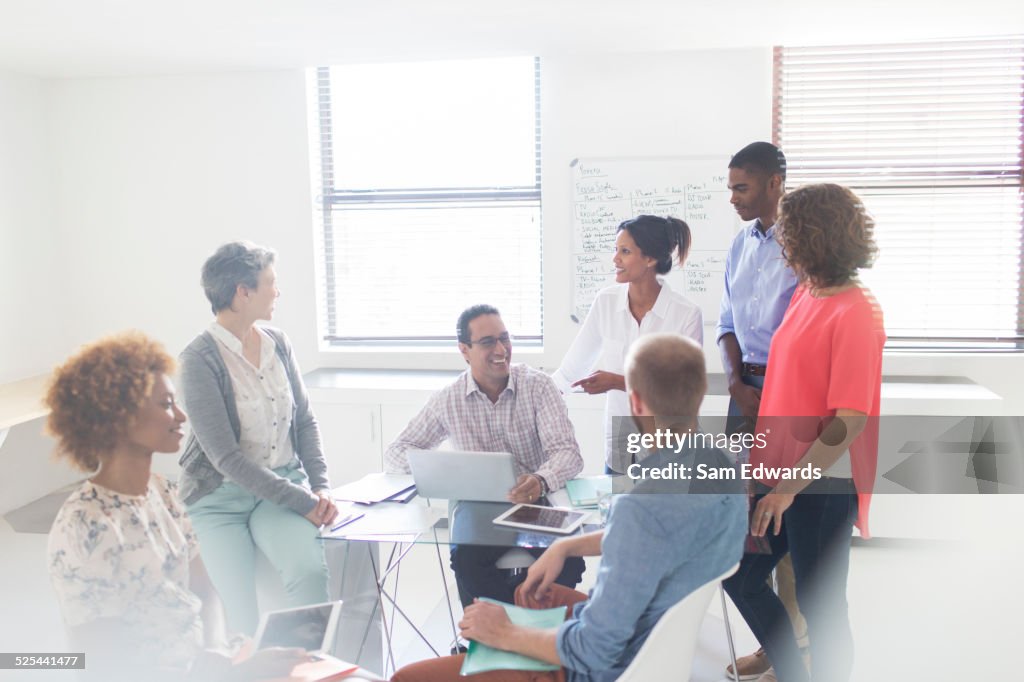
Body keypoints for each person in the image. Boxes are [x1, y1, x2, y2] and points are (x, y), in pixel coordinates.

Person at [390, 332, 747, 682]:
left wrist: (505, 634)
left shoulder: (638, 506)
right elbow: (653, 534)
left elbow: (591, 649)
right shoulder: (723, 467)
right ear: (700, 394)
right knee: (528, 593)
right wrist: (567, 545)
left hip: (607, 664)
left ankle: (504, 659)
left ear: (635, 403)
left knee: (406, 676)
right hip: (657, 634)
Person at [45, 332, 307, 681]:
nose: (182, 415)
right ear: (119, 417)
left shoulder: (164, 493)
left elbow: (204, 592)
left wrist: (216, 652)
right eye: (167, 404)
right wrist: (228, 674)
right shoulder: (85, 525)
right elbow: (106, 665)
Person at [724, 184, 886, 682]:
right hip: (776, 475)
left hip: (819, 485)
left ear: (814, 236)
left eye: (789, 232)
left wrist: (787, 491)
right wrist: (757, 472)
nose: (783, 243)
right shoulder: (807, 292)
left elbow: (849, 419)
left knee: (822, 607)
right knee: (742, 575)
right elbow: (780, 390)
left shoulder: (857, 312)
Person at [178, 241, 338, 635]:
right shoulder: (198, 360)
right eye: (270, 282)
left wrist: (320, 486)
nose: (277, 291)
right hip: (218, 499)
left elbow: (304, 421)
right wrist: (303, 501)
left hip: (279, 484)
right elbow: (225, 459)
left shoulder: (278, 343)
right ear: (242, 292)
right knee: (239, 611)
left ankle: (315, 672)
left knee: (309, 575)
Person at [384, 304, 585, 607]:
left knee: (570, 560)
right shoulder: (448, 400)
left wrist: (541, 480)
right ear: (464, 349)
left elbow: (568, 453)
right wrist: (439, 471)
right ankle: (502, 632)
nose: (501, 349)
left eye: (505, 338)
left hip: (533, 504)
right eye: (488, 342)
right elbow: (396, 452)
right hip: (478, 510)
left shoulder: (538, 386)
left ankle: (526, 626)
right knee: (467, 561)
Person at [717, 142, 804, 680]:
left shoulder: (802, 247)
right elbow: (727, 321)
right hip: (743, 392)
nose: (732, 198)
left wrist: (770, 394)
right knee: (746, 527)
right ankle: (776, 646)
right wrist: (733, 382)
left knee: (785, 528)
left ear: (775, 183)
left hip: (788, 395)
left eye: (741, 187)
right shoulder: (740, 244)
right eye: (729, 187)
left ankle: (796, 653)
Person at [553, 215, 701, 474]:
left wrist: (618, 382)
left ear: (650, 259)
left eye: (625, 251)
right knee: (619, 513)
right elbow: (571, 370)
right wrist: (536, 394)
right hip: (621, 450)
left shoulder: (685, 314)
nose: (615, 259)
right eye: (616, 250)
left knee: (662, 514)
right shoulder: (606, 302)